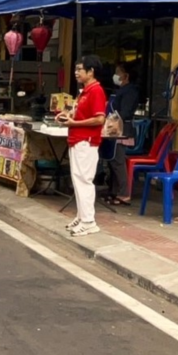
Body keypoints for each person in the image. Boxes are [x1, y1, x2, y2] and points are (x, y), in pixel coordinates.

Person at [59, 55, 108, 237]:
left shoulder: (96, 91)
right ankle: (82, 216)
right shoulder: (84, 91)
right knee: (78, 180)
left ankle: (89, 221)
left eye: (80, 69)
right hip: (77, 139)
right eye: (76, 69)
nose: (76, 73)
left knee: (84, 181)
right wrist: (66, 116)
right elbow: (77, 113)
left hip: (86, 141)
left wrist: (73, 123)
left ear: (91, 71)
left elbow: (99, 118)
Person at [105, 61, 141, 205]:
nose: (116, 75)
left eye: (118, 72)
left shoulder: (130, 91)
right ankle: (114, 191)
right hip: (114, 129)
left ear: (126, 76)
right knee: (112, 160)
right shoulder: (121, 90)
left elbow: (124, 113)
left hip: (121, 130)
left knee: (118, 161)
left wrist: (112, 120)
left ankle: (124, 194)